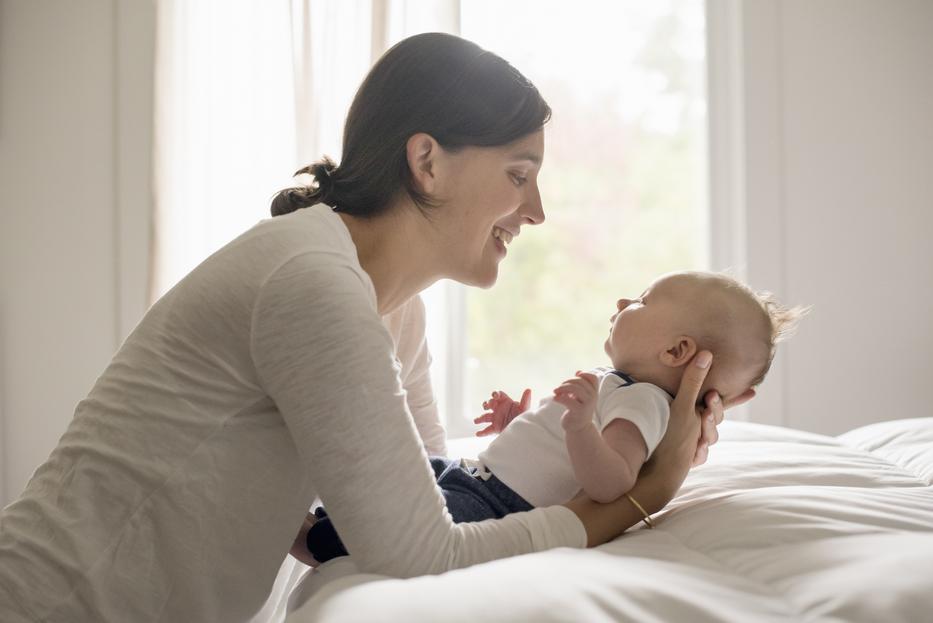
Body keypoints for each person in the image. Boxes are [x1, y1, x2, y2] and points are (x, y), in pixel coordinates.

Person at [0, 33, 745, 623]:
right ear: (427, 160)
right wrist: (645, 491)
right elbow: (421, 551)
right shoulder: (314, 286)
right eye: (519, 175)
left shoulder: (391, 308)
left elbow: (420, 491)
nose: (538, 211)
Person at [302, 271, 802, 563]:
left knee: (406, 521)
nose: (624, 302)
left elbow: (611, 481)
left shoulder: (644, 403)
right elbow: (559, 455)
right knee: (402, 474)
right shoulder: (619, 386)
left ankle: (322, 539)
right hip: (480, 477)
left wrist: (580, 426)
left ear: (677, 350)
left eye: (643, 301)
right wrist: (520, 422)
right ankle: (328, 506)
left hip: (499, 503)